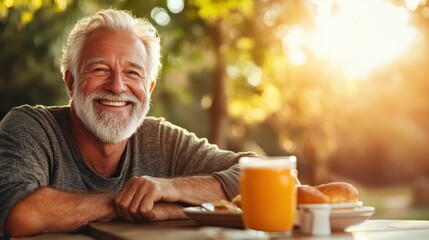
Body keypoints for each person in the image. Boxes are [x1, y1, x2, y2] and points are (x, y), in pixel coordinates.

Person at [0, 9, 254, 238]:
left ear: (149, 88)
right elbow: (19, 213)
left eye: (133, 73)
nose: (117, 87)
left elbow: (271, 176)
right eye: (99, 69)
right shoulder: (32, 127)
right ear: (71, 82)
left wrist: (170, 190)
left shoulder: (162, 140)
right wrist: (127, 203)